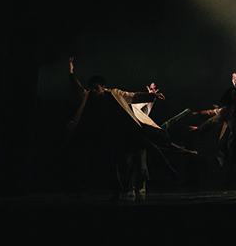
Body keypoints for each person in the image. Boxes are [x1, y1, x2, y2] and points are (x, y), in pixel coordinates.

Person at [68, 57, 171, 201]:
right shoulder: (89, 98)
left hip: (122, 135)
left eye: (96, 88)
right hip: (104, 136)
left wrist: (151, 95)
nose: (94, 91)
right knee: (112, 164)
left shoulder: (115, 94)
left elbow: (132, 96)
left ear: (103, 87)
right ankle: (119, 191)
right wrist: (71, 72)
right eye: (92, 88)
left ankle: (132, 188)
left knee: (129, 161)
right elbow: (78, 89)